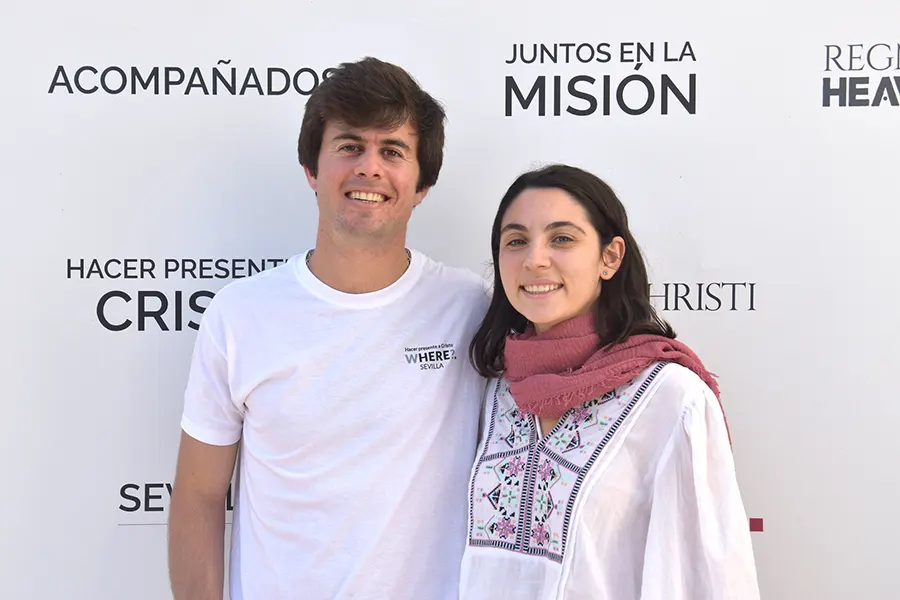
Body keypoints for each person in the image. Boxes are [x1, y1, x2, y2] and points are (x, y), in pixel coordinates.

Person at [167, 57, 489, 600]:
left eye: (392, 150)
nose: (369, 167)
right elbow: (198, 495)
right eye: (349, 145)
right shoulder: (240, 314)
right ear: (312, 170)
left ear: (421, 185)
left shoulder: (473, 308)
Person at [460, 164, 760, 599]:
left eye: (561, 238)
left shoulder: (671, 399)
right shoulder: (493, 391)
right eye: (516, 240)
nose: (534, 259)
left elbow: (706, 581)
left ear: (610, 257)